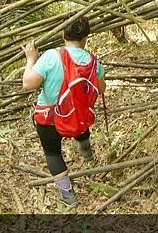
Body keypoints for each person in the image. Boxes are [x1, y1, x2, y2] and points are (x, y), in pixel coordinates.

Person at [21, 15, 106, 206]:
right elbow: (101, 88)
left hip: (50, 119)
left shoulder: (52, 56)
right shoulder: (93, 61)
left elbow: (28, 83)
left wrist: (30, 59)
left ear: (62, 34)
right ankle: (86, 152)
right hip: (78, 117)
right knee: (79, 116)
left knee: (53, 153)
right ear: (85, 38)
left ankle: (67, 194)